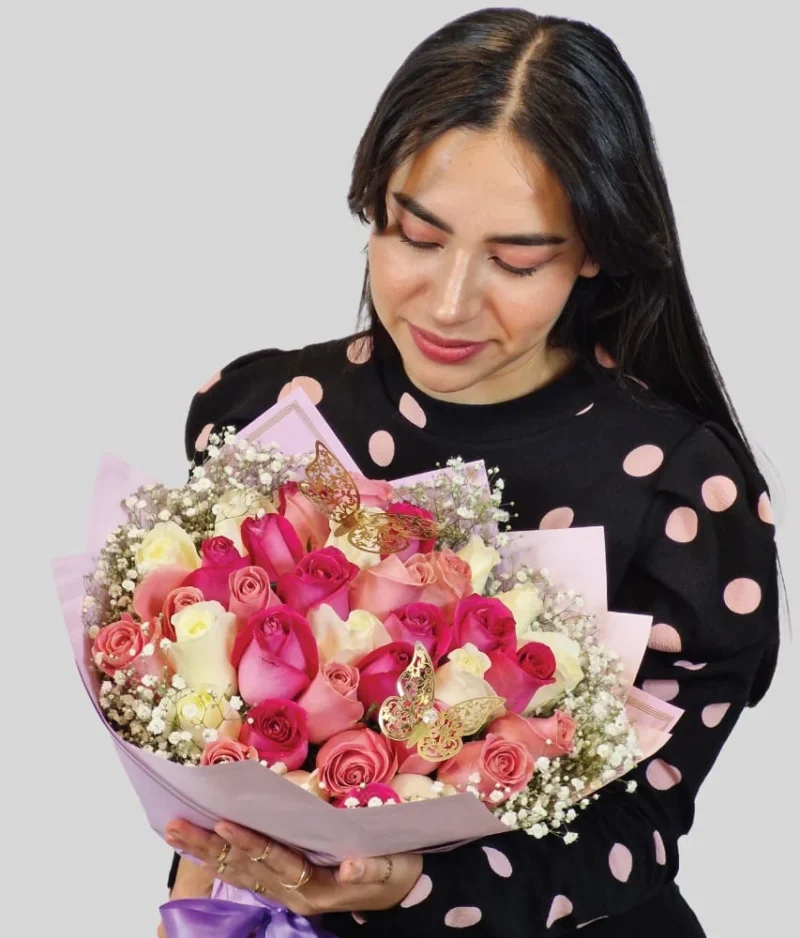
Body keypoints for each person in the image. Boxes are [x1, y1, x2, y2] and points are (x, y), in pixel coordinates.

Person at [158, 8, 783, 936]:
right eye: (415, 237)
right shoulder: (267, 411)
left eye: (517, 259)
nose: (449, 303)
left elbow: (641, 826)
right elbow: (193, 721)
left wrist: (410, 887)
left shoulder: (675, 489)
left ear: (596, 250)